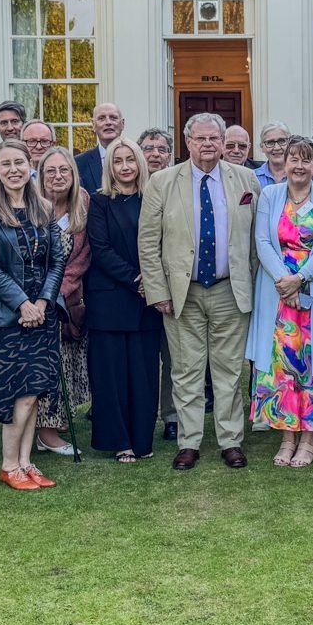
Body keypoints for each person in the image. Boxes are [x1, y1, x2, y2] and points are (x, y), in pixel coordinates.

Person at [138, 112, 258, 471]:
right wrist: (158, 289)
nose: (208, 144)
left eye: (214, 138)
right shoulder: (162, 181)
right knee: (186, 370)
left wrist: (251, 282)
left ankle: (230, 441)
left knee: (229, 372)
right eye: (200, 138)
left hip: (229, 290)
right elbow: (148, 241)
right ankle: (188, 442)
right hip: (181, 293)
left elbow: (255, 239)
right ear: (187, 142)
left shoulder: (247, 180)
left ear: (223, 143)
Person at [0, 139, 68, 491]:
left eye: (19, 162)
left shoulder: (43, 206)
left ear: (31, 166)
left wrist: (42, 302)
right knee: (15, 393)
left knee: (35, 391)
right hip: (4, 316)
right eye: (5, 163)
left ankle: (27, 463)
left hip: (42, 315)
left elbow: (57, 260)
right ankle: (9, 464)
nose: (13, 169)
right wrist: (22, 304)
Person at [247, 135, 313, 468]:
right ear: (284, 163)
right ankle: (287, 436)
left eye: (305, 160)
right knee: (281, 366)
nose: (299, 166)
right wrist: (284, 281)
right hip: (277, 293)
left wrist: (301, 278)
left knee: (310, 365)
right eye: (293, 159)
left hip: (312, 291)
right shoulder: (270, 195)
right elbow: (262, 241)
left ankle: (309, 438)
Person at [86, 137, 163, 462]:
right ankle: (119, 440)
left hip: (148, 300)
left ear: (140, 163)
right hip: (111, 300)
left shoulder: (153, 198)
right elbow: (100, 249)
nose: (125, 166)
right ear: (110, 167)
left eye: (130, 160)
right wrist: (137, 279)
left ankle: (142, 440)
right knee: (112, 374)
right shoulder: (100, 201)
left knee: (143, 372)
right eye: (118, 161)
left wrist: (154, 281)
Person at [32, 145, 90, 454]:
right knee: (34, 369)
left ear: (73, 174)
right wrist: (35, 298)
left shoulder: (83, 204)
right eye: (50, 171)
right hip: (28, 303)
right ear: (40, 176)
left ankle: (50, 431)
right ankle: (33, 431)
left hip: (64, 303)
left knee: (59, 368)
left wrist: (53, 296)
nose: (57, 176)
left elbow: (80, 259)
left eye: (63, 170)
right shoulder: (28, 206)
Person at [137, 127, 179, 438]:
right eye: (148, 148)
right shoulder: (127, 187)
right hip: (131, 288)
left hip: (173, 285)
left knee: (175, 357)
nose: (155, 154)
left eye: (162, 149)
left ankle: (172, 416)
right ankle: (141, 414)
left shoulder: (178, 187)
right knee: (141, 360)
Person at [75, 101, 125, 193]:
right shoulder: (79, 163)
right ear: (93, 125)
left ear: (122, 124)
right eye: (102, 118)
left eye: (113, 118)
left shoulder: (137, 160)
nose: (108, 122)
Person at [253, 121, 291, 186]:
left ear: (290, 144)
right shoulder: (253, 178)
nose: (277, 148)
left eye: (281, 141)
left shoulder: (302, 175)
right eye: (270, 142)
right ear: (262, 147)